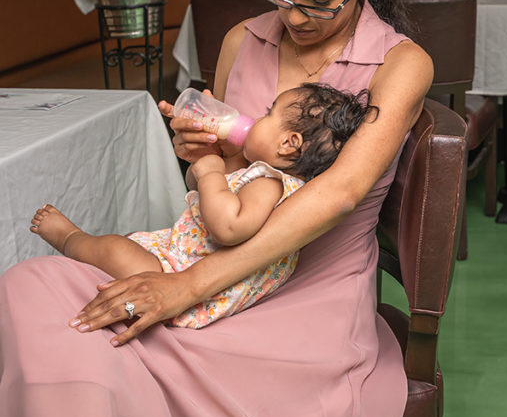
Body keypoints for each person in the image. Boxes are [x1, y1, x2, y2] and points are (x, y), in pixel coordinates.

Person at [0, 0, 434, 417]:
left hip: (302, 300)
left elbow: (340, 194)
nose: (295, 16)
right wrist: (199, 156)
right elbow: (222, 184)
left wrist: (185, 288)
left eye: (320, 2)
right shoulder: (242, 40)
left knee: (112, 344)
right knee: (31, 286)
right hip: (199, 258)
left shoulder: (400, 64)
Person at [30, 83, 374, 329]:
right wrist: (205, 159)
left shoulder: (270, 183)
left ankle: (70, 238)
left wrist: (211, 169)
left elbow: (228, 227)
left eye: (269, 115)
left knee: (115, 248)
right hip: (186, 255)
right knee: (133, 239)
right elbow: (201, 192)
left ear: (288, 143)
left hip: (191, 278)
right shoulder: (257, 174)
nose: (258, 118)